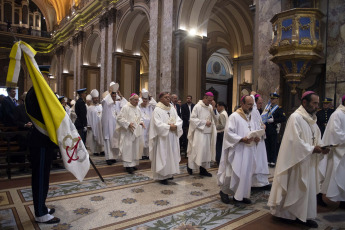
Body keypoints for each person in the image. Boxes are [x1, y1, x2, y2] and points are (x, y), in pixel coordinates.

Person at [267, 91, 329, 229]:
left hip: (309, 161)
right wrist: (312, 149)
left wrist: (323, 147)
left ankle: (304, 216)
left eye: (318, 103)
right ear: (304, 102)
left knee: (308, 190)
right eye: (314, 103)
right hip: (296, 162)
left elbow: (317, 137)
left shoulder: (312, 119)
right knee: (296, 188)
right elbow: (294, 142)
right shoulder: (296, 118)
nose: (317, 106)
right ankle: (288, 215)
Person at [25, 68, 60, 224]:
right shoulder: (36, 94)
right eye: (46, 77)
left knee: (44, 176)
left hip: (43, 141)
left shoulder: (39, 93)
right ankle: (40, 213)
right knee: (40, 177)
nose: (48, 80)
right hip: (40, 141)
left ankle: (42, 206)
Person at [217, 96, 262, 205]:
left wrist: (257, 138)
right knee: (234, 172)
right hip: (238, 150)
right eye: (248, 104)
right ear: (242, 104)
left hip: (249, 150)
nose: (251, 107)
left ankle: (242, 195)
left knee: (246, 172)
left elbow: (256, 130)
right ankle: (224, 192)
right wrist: (241, 139)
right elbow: (228, 133)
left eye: (252, 104)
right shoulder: (234, 117)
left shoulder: (251, 117)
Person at [149, 92, 183, 184]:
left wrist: (176, 125)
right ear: (160, 99)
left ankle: (169, 174)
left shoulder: (172, 108)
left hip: (172, 136)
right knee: (163, 155)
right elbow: (157, 124)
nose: (168, 99)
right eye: (166, 97)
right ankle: (162, 176)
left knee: (171, 155)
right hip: (163, 138)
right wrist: (169, 127)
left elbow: (179, 119)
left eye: (169, 97)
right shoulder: (157, 110)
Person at [320, 95, 345, 209]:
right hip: (337, 152)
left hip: (343, 151)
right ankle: (320, 197)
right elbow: (336, 133)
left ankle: (343, 200)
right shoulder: (337, 114)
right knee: (332, 176)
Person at [187, 92, 217, 177]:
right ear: (204, 97)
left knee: (206, 152)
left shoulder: (210, 107)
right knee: (197, 151)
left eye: (211, 100)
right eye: (209, 100)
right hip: (199, 133)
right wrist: (204, 122)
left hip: (208, 133)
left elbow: (215, 119)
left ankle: (203, 170)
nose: (210, 102)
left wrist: (213, 108)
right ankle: (190, 167)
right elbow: (192, 119)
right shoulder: (197, 106)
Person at [117, 93, 145, 174]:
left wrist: (141, 122)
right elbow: (119, 118)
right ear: (131, 100)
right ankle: (127, 166)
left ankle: (133, 164)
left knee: (135, 148)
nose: (137, 101)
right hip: (128, 133)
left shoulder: (138, 108)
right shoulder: (126, 107)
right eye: (135, 100)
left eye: (137, 100)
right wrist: (128, 124)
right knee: (128, 149)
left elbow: (140, 118)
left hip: (136, 132)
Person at [101, 82, 127, 165]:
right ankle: (108, 158)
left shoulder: (118, 103)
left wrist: (121, 96)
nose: (114, 97)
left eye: (115, 96)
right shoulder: (106, 103)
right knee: (108, 141)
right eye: (112, 95)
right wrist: (111, 91)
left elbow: (126, 105)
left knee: (116, 140)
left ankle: (114, 157)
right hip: (108, 126)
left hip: (116, 126)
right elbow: (105, 101)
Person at [250, 93, 270, 188]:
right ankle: (254, 183)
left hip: (260, 140)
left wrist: (263, 126)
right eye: (259, 103)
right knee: (256, 161)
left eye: (262, 103)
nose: (261, 105)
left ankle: (261, 181)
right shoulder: (253, 112)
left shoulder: (257, 112)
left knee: (261, 161)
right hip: (256, 140)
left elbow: (259, 124)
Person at [262, 92, 286, 167]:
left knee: (273, 145)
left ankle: (273, 160)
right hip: (266, 129)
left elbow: (283, 118)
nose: (272, 100)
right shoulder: (267, 108)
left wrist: (274, 120)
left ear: (277, 100)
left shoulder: (279, 109)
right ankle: (268, 160)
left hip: (273, 129)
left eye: (274, 99)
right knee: (267, 145)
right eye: (271, 99)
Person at [139, 89, 155, 160]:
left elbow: (155, 105)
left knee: (148, 140)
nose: (145, 102)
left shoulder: (149, 107)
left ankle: (147, 154)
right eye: (143, 101)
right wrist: (140, 96)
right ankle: (141, 154)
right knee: (142, 140)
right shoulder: (139, 107)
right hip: (142, 126)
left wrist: (150, 97)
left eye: (146, 101)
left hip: (149, 126)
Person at [86, 89, 104, 156]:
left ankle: (102, 150)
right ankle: (95, 151)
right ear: (92, 99)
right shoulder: (90, 108)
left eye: (97, 98)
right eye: (95, 98)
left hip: (100, 125)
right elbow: (88, 117)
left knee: (102, 136)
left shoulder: (100, 106)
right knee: (94, 137)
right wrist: (89, 125)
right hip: (93, 125)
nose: (96, 99)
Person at [215, 101, 228, 166]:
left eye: (217, 106)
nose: (217, 108)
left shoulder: (222, 114)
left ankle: (219, 161)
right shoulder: (225, 113)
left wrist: (214, 126)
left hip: (221, 133)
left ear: (221, 106)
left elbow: (222, 125)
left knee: (219, 148)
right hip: (223, 133)